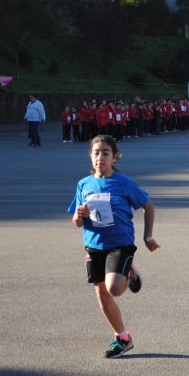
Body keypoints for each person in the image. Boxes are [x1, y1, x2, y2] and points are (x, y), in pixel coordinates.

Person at [68, 135, 159, 358]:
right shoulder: (83, 184)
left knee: (115, 289)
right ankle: (123, 338)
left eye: (105, 153)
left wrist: (147, 236)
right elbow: (76, 222)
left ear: (115, 157)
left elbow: (148, 205)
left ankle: (128, 270)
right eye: (96, 153)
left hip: (120, 243)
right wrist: (79, 215)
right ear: (90, 156)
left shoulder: (123, 182)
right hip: (94, 245)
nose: (100, 157)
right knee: (102, 295)